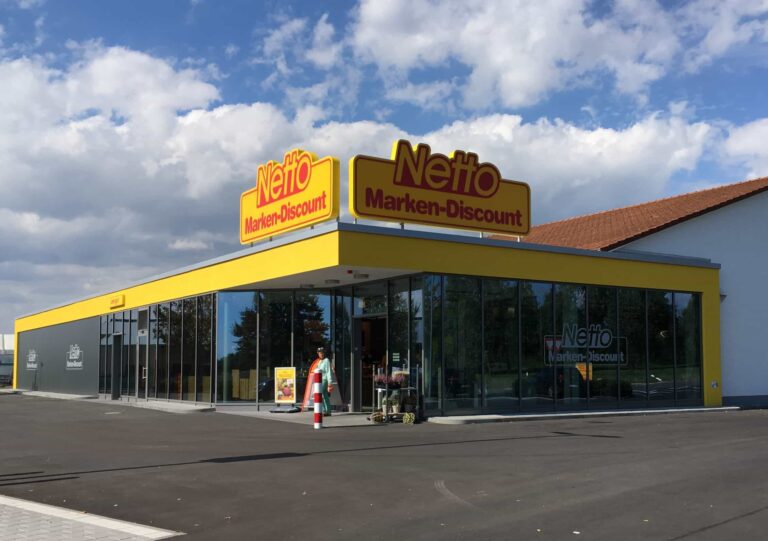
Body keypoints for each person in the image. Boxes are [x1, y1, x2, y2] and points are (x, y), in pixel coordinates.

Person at [315, 347, 336, 415]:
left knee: (319, 394)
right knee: (325, 395)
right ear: (318, 353)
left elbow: (328, 372)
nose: (321, 354)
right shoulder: (319, 362)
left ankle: (324, 410)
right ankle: (328, 411)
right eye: (320, 353)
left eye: (322, 352)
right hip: (319, 381)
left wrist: (330, 382)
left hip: (324, 380)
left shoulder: (326, 360)